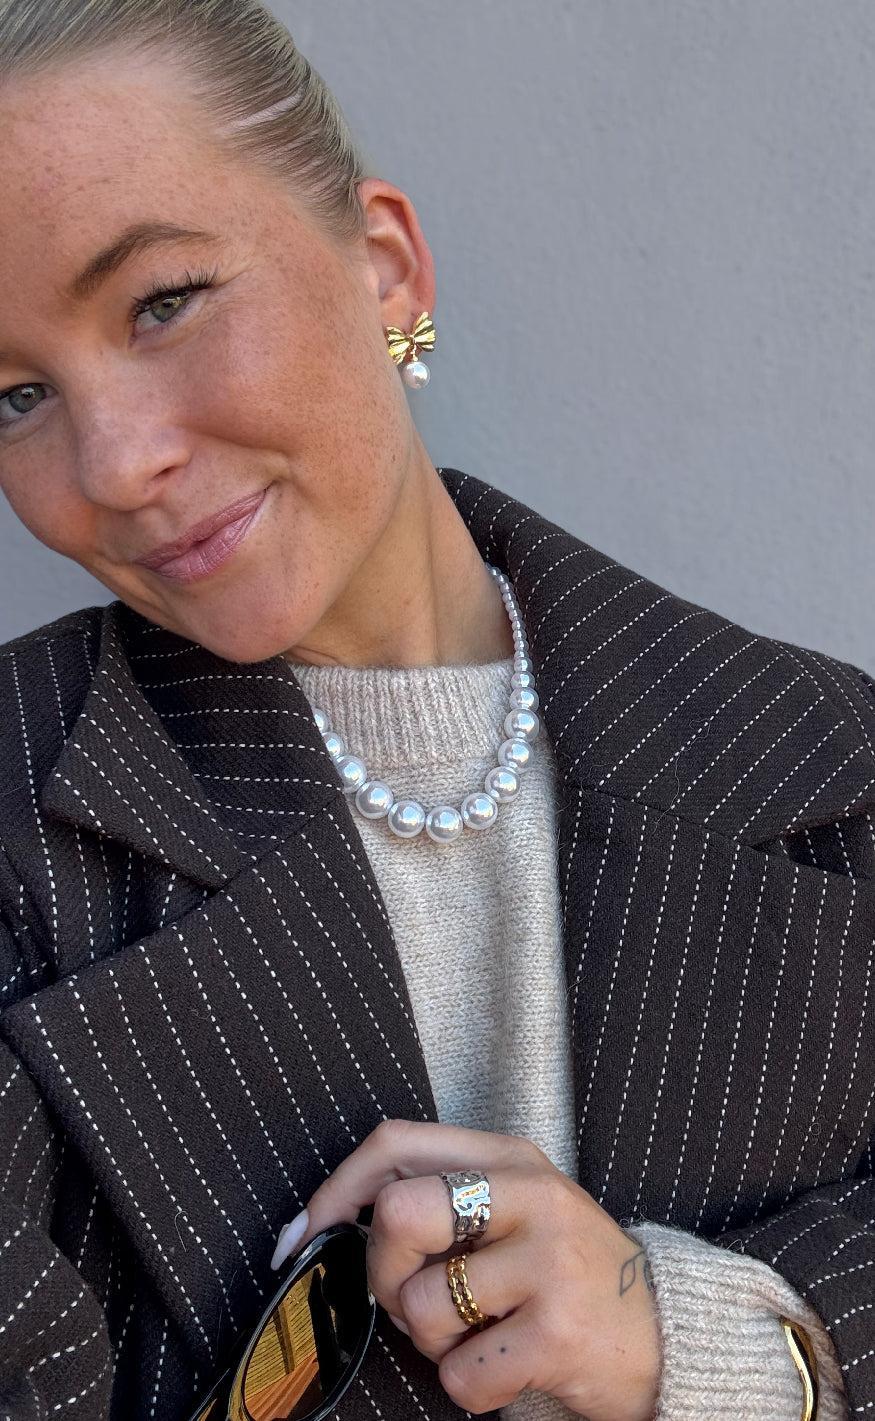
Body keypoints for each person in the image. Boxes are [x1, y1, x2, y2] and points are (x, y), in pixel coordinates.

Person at [0, 3, 872, 1419]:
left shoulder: (830, 760)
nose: (115, 463)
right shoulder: (24, 816)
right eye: (15, 396)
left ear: (383, 265)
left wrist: (709, 1340)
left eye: (163, 302)